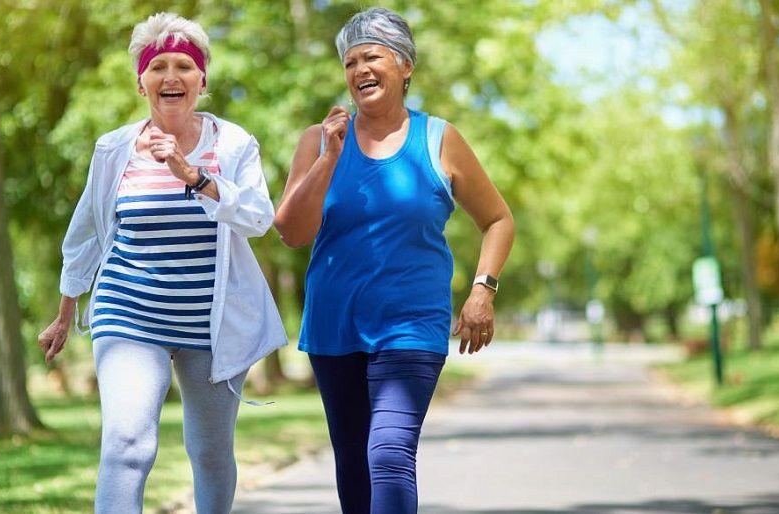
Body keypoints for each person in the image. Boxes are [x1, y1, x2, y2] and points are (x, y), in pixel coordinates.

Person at [36, 12, 286, 514]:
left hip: (211, 323)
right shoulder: (113, 149)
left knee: (211, 454)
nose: (171, 76)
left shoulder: (233, 144)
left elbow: (259, 218)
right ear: (141, 81)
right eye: (158, 67)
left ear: (203, 79)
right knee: (128, 447)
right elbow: (85, 234)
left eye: (184, 66)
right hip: (128, 312)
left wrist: (190, 174)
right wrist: (66, 311)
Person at [274, 7, 515, 513]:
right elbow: (292, 233)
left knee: (388, 453)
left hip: (411, 325)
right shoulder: (318, 141)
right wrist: (328, 160)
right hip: (334, 325)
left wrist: (482, 290)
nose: (359, 70)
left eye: (372, 57)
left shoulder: (439, 139)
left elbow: (498, 219)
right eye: (350, 62)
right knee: (353, 463)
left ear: (405, 66)